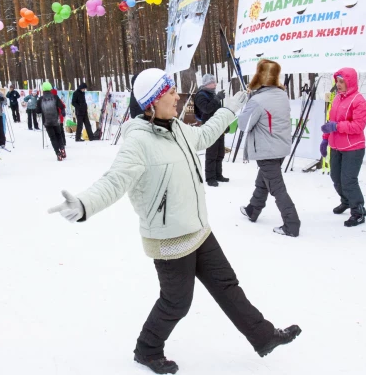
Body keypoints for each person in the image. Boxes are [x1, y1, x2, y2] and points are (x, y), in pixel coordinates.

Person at [48, 68, 301, 374]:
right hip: (169, 239)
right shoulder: (138, 141)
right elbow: (114, 181)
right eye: (169, 92)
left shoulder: (178, 128)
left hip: (198, 230)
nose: (177, 96)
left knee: (227, 285)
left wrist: (231, 107)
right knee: (176, 302)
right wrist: (85, 203)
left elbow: (205, 135)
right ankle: (147, 349)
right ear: (152, 102)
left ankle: (263, 337)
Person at [238, 60, 300, 236]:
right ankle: (253, 209)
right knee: (263, 180)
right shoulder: (281, 95)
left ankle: (292, 223)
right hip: (279, 147)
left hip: (267, 150)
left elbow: (244, 125)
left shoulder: (258, 100)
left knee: (276, 188)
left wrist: (249, 102)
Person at [320, 67, 366, 227]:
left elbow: (358, 126)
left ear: (350, 82)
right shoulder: (337, 98)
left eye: (342, 81)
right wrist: (325, 138)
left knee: (348, 180)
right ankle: (346, 201)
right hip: (336, 146)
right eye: (338, 81)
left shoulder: (359, 101)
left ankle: (358, 210)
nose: (339, 84)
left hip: (353, 147)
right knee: (335, 177)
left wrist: (336, 127)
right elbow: (330, 122)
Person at [194, 74, 228, 187]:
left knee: (220, 153)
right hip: (209, 127)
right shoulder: (200, 95)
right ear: (207, 83)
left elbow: (218, 112)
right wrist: (217, 98)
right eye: (213, 82)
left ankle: (218, 175)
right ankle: (210, 178)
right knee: (212, 153)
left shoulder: (212, 94)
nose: (215, 84)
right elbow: (206, 109)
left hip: (219, 126)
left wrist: (225, 124)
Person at [37, 82, 66, 161]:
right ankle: (62, 149)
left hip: (47, 121)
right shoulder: (55, 97)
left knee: (53, 138)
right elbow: (62, 106)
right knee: (59, 135)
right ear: (50, 88)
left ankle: (58, 153)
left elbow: (38, 111)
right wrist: (62, 111)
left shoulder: (40, 99)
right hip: (56, 120)